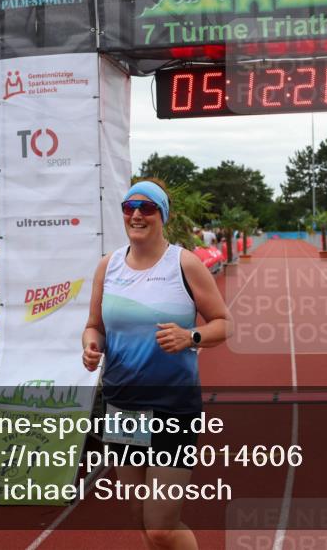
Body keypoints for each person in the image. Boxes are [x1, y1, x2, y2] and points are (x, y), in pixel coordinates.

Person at [82, 179, 232, 550]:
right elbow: (94, 327)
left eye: (147, 207)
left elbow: (223, 323)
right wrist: (91, 346)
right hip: (123, 404)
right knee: (140, 518)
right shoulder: (108, 266)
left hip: (172, 405)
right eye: (130, 206)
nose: (136, 214)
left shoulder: (184, 263)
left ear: (162, 215)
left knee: (162, 526)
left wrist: (190, 336)